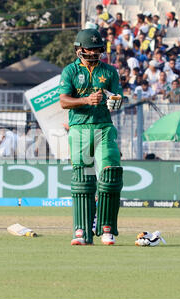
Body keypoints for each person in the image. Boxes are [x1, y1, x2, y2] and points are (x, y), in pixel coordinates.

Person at [59, 28, 123, 246]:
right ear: (79, 49)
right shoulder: (69, 71)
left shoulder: (110, 71)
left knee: (110, 174)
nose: (95, 52)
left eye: (98, 48)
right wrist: (86, 100)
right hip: (79, 129)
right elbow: (64, 102)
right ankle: (82, 231)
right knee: (83, 180)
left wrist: (116, 100)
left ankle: (107, 229)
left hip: (104, 127)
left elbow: (117, 95)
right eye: (90, 48)